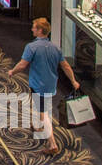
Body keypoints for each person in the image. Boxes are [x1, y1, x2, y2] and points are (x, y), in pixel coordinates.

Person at [7, 17, 79, 155]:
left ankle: (52, 144)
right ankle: (39, 127)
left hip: (38, 85)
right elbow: (65, 66)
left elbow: (22, 65)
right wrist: (73, 81)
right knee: (42, 108)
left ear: (40, 31)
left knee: (44, 112)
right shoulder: (55, 48)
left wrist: (12, 72)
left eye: (34, 27)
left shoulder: (32, 47)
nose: (31, 29)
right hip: (51, 84)